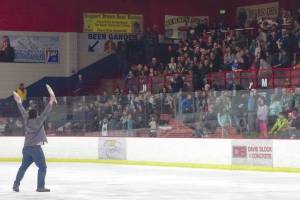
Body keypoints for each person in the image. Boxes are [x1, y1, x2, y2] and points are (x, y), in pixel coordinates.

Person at [12, 85, 57, 193]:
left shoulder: (26, 120)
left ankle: (16, 184)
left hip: (26, 149)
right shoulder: (39, 120)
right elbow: (46, 111)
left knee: (23, 167)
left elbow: (22, 109)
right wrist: (51, 100)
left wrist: (18, 101)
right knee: (43, 167)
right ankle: (40, 187)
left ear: (29, 115)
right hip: (36, 149)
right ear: (36, 115)